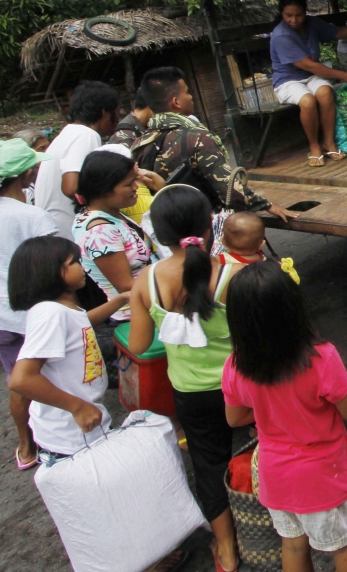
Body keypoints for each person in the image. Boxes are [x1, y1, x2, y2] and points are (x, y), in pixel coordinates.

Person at [222, 262, 347, 572]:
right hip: (324, 475)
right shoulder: (320, 357)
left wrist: (269, 409)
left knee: (291, 544)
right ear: (292, 307)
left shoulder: (235, 365)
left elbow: (235, 418)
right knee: (344, 546)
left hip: (275, 476)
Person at [127, 185, 239, 572]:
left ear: (157, 233)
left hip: (190, 391)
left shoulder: (147, 280)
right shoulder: (232, 274)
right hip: (240, 388)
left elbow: (140, 344)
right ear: (210, 225)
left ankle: (226, 548)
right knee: (262, 445)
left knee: (209, 465)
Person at [0, 139, 66, 468]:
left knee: (17, 381)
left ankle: (25, 446)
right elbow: (57, 265)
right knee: (53, 378)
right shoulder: (32, 217)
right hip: (34, 315)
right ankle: (64, 438)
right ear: (25, 174)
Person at [8, 236, 125, 458]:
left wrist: (119, 301)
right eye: (75, 262)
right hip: (72, 434)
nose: (82, 268)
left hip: (81, 423)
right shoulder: (50, 315)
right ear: (51, 271)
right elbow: (21, 379)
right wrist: (78, 407)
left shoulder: (62, 309)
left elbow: (80, 324)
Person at [133, 67, 296, 221]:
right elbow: (229, 190)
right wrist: (267, 205)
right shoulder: (196, 137)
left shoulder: (138, 144)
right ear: (176, 102)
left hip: (169, 224)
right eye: (187, 92)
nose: (190, 97)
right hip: (203, 223)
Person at [269, 0, 347, 166]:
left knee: (325, 92)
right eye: (288, 15)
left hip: (310, 77)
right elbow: (309, 65)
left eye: (298, 15)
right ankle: (315, 146)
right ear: (282, 14)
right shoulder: (281, 36)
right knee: (308, 101)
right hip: (287, 81)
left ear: (305, 12)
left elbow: (339, 33)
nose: (294, 20)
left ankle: (329, 142)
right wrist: (345, 76)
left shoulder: (312, 24)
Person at [73, 149, 159, 322]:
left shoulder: (109, 214)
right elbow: (127, 286)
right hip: (137, 315)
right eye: (128, 184)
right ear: (104, 190)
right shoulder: (100, 232)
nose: (135, 187)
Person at [35, 80, 121, 238]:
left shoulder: (68, 133)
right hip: (67, 235)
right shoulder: (85, 135)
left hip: (53, 231)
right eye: (116, 112)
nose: (118, 119)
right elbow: (71, 187)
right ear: (104, 112)